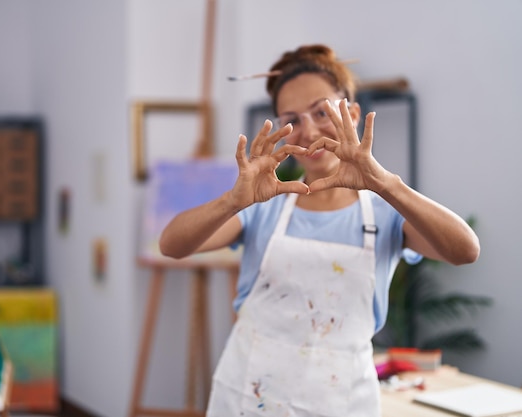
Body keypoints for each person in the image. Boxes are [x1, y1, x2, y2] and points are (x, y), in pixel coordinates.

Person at [159, 44, 480, 417]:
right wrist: (233, 200)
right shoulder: (263, 210)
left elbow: (465, 250)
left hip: (340, 402)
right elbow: (172, 245)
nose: (308, 131)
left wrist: (383, 182)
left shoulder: (386, 216)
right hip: (249, 398)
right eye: (291, 118)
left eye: (322, 111)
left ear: (353, 113)